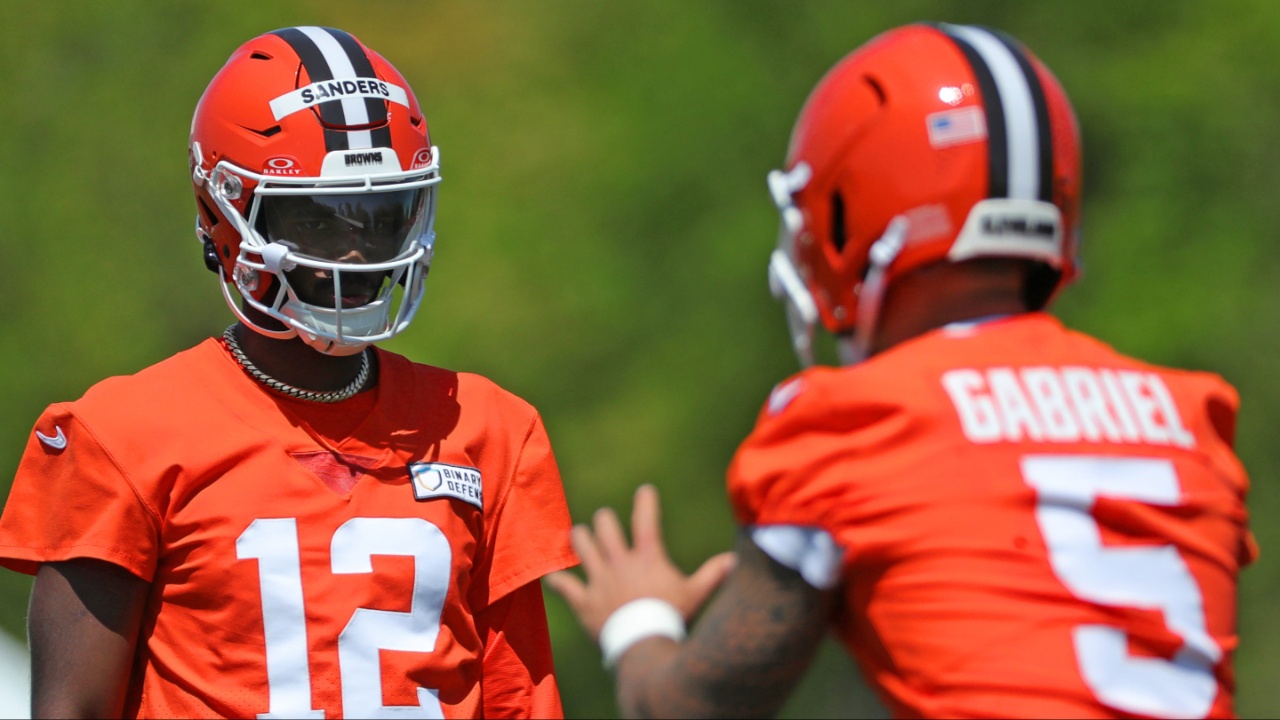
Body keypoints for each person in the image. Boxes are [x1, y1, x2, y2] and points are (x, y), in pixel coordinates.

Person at [547, 22, 1256, 719]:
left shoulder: (855, 424)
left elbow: (687, 711)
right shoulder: (1191, 420)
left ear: (848, 213)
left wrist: (636, 622)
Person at [0, 26, 576, 719]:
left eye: (381, 215)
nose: (358, 255)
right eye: (321, 221)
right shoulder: (119, 436)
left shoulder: (490, 432)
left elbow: (518, 703)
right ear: (225, 211)